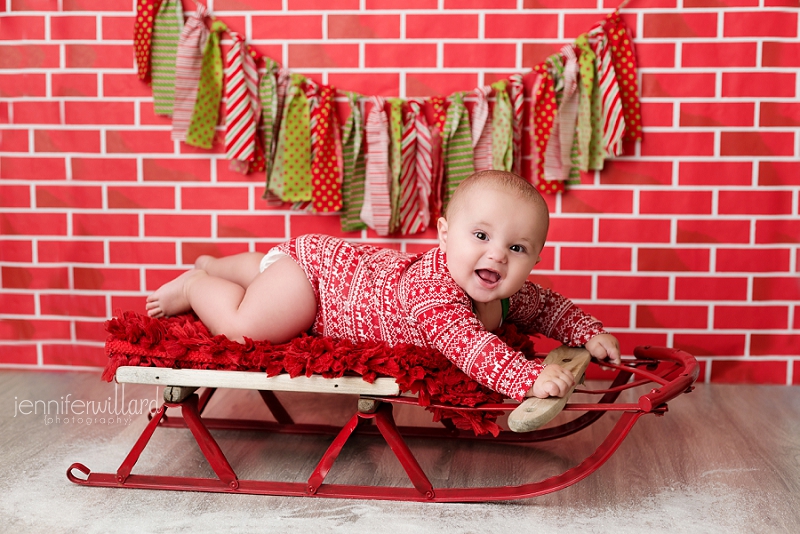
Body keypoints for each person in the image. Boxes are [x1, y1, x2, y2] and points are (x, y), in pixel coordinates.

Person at [146, 170, 621, 401]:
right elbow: (473, 350)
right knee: (247, 324)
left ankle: (221, 263)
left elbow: (548, 308)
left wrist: (586, 331)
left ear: (534, 259)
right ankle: (198, 283)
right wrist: (528, 377)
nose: (496, 254)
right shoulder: (434, 295)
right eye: (480, 236)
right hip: (318, 287)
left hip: (343, 266)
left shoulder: (508, 290)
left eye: (517, 249)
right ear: (443, 235)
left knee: (268, 267)